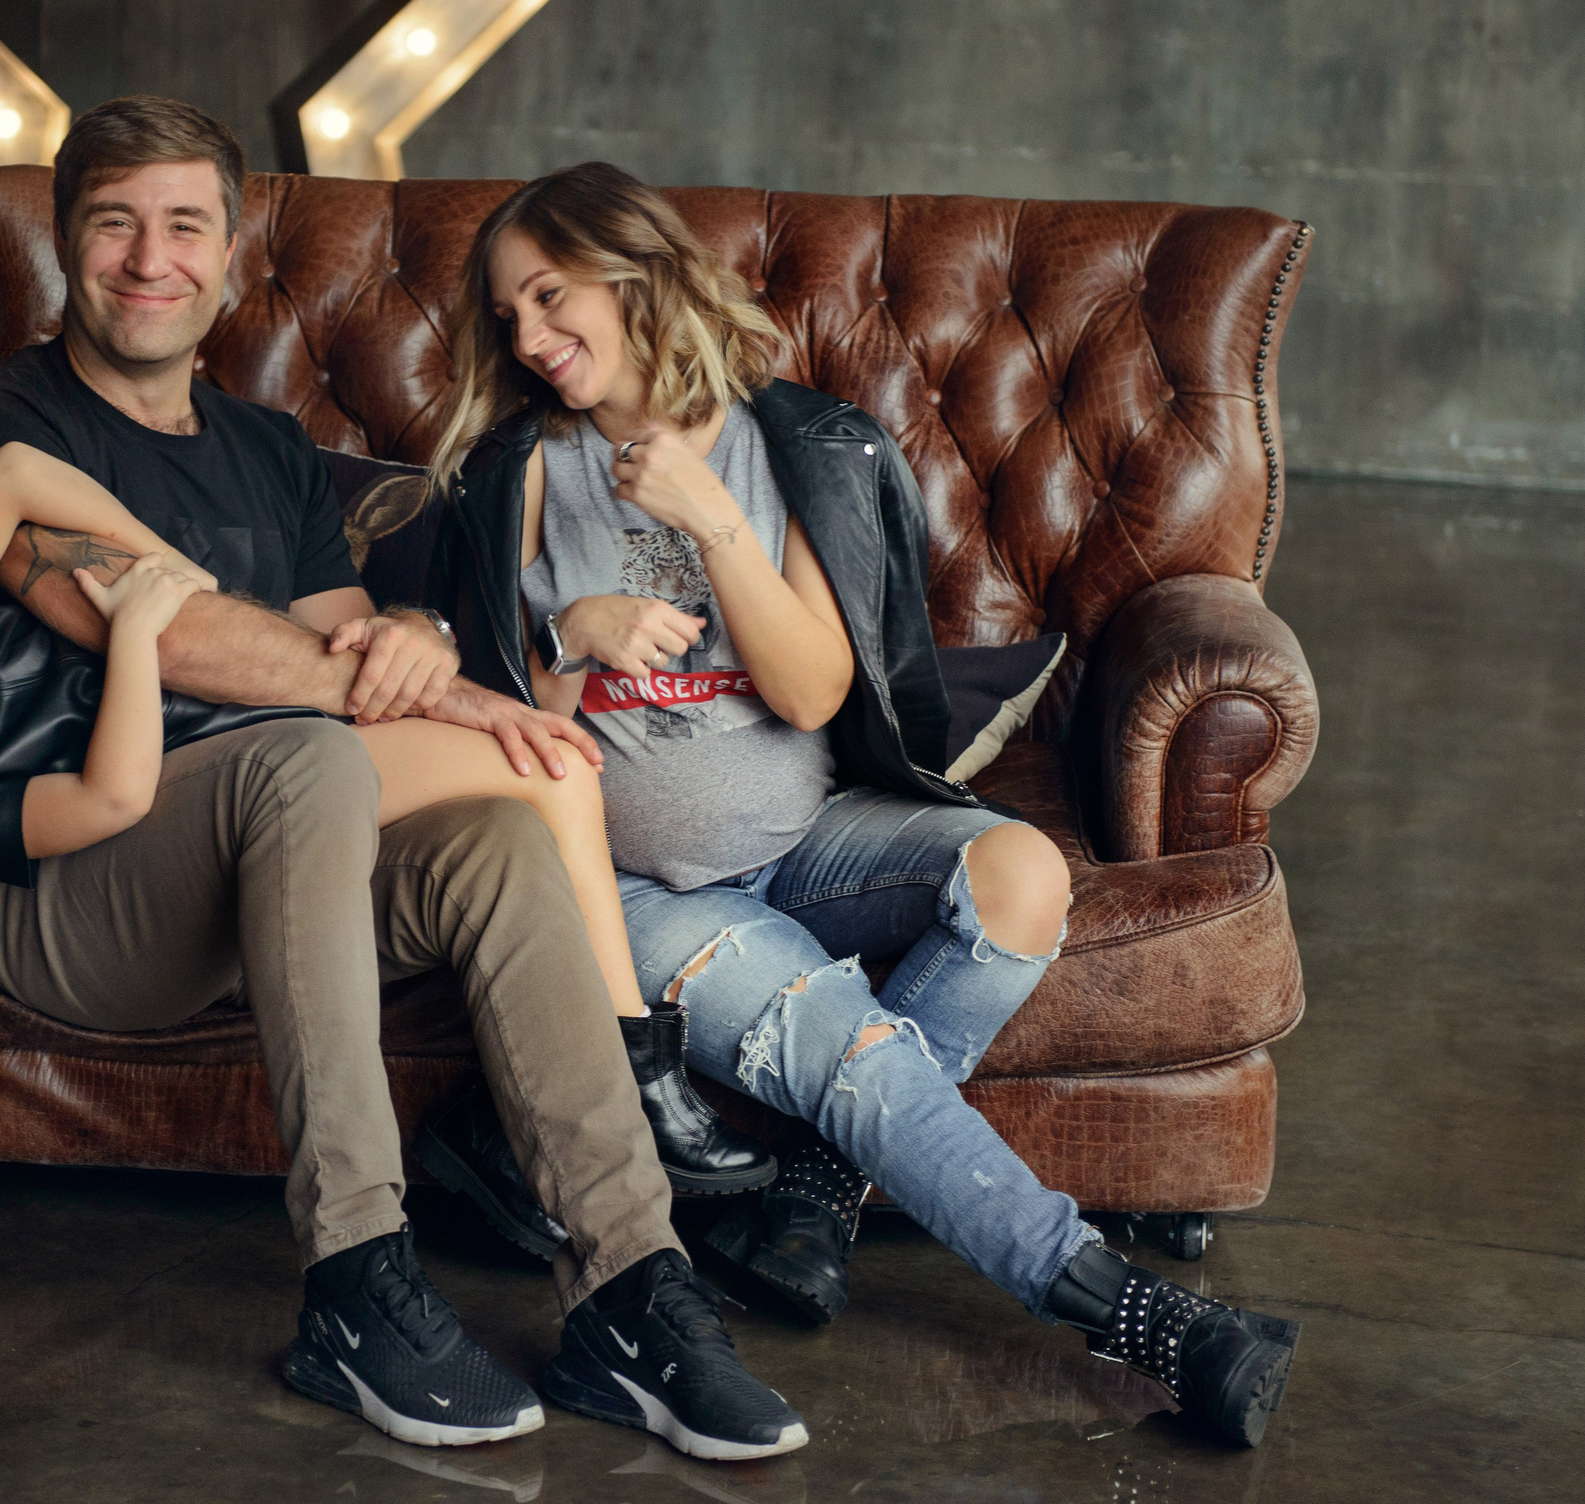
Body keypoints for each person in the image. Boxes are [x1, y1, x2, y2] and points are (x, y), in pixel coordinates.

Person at [0, 101, 807, 1462]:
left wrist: (417, 645)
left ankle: (630, 1285)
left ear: (233, 253)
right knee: (306, 755)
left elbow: (355, 641)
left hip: (261, 848)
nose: (148, 256)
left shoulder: (271, 452)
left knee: (491, 837)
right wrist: (402, 678)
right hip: (72, 885)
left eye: (185, 223)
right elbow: (167, 628)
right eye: (112, 220)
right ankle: (357, 1274)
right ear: (65, 243)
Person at [426, 162, 1302, 1448]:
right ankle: (1137, 1315)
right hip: (635, 896)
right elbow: (503, 730)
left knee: (1019, 876)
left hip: (806, 838)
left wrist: (710, 514)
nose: (528, 336)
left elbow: (812, 683)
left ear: (635, 270)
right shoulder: (523, 472)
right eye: (504, 317)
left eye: (548, 295)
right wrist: (573, 629)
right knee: (849, 1047)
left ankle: (819, 1189)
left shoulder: (787, 439)